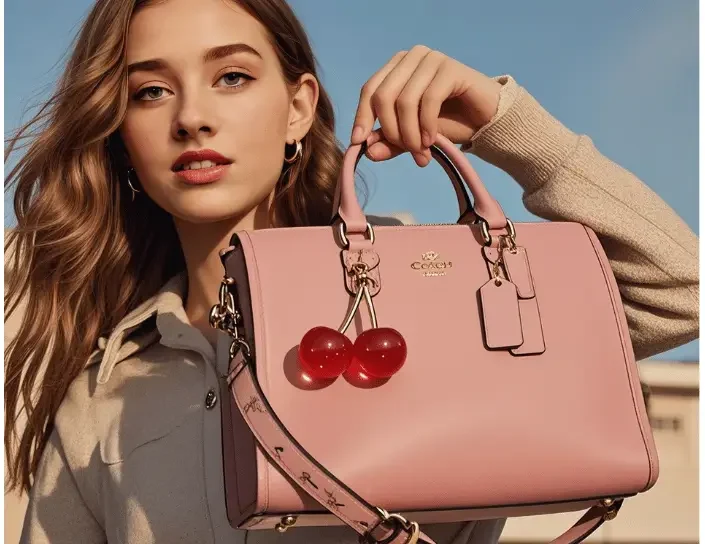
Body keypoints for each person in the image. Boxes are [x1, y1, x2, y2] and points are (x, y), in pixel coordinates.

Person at [4, 0, 698, 543]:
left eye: (233, 77)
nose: (191, 118)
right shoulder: (103, 392)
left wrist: (505, 127)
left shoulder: (423, 280)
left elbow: (679, 294)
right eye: (150, 91)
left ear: (298, 107)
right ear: (119, 130)